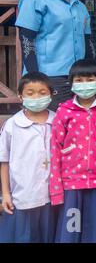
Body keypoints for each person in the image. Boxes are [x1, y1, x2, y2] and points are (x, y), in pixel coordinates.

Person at [15, 0, 95, 111]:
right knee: (49, 128)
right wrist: (34, 78)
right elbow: (26, 39)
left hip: (79, 80)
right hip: (49, 77)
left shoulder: (80, 7)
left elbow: (88, 44)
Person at [49, 59, 96, 243]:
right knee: (72, 231)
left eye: (89, 79)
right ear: (70, 84)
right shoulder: (64, 112)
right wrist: (56, 190)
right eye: (79, 80)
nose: (84, 85)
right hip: (72, 186)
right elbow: (55, 150)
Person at [0, 72, 58, 242]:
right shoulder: (12, 125)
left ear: (51, 94)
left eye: (42, 93)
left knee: (48, 236)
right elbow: (4, 162)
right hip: (22, 197)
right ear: (20, 96)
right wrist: (6, 194)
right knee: (22, 236)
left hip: (51, 197)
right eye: (30, 93)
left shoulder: (57, 121)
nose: (36, 97)